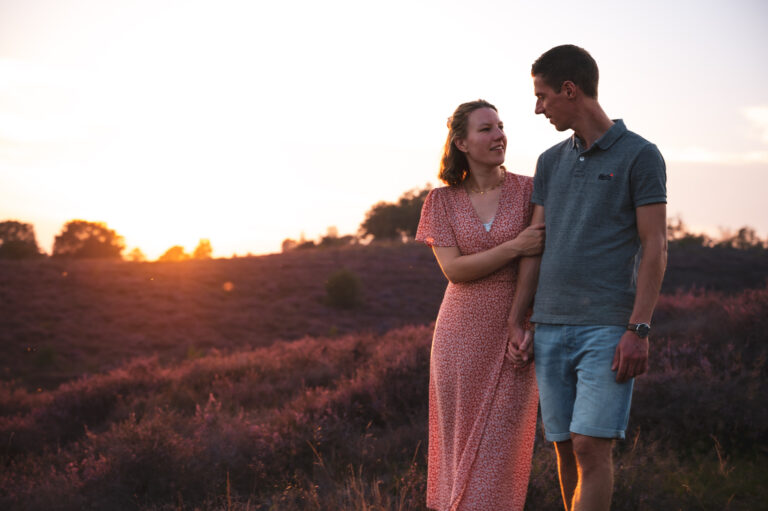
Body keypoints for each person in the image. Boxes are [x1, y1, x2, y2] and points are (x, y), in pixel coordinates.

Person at [507, 45, 668, 511]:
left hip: (607, 328)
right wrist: (519, 319)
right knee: (562, 447)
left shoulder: (641, 155)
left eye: (542, 96)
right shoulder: (549, 161)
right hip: (550, 326)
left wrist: (638, 328)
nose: (538, 107)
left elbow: (655, 246)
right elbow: (535, 244)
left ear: (569, 90)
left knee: (588, 445)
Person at [416, 99, 545, 511]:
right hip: (458, 337)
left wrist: (525, 323)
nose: (499, 135)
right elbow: (455, 270)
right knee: (456, 451)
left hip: (515, 331)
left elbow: (536, 256)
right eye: (486, 129)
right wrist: (515, 244)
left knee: (499, 452)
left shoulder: (531, 189)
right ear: (462, 143)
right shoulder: (441, 201)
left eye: (501, 126)